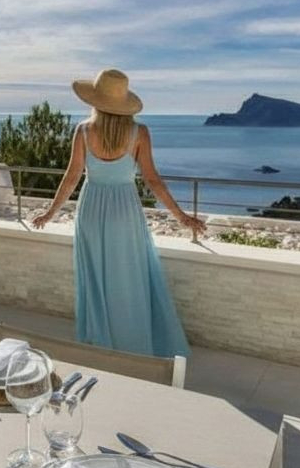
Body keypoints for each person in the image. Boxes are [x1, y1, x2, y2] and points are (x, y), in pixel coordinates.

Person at [32, 69, 204, 357]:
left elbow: (72, 176)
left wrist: (51, 212)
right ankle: (133, 343)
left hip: (90, 209)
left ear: (96, 100)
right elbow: (153, 181)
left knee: (96, 276)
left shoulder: (84, 131)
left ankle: (101, 344)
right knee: (130, 276)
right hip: (125, 210)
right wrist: (182, 217)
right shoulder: (140, 133)